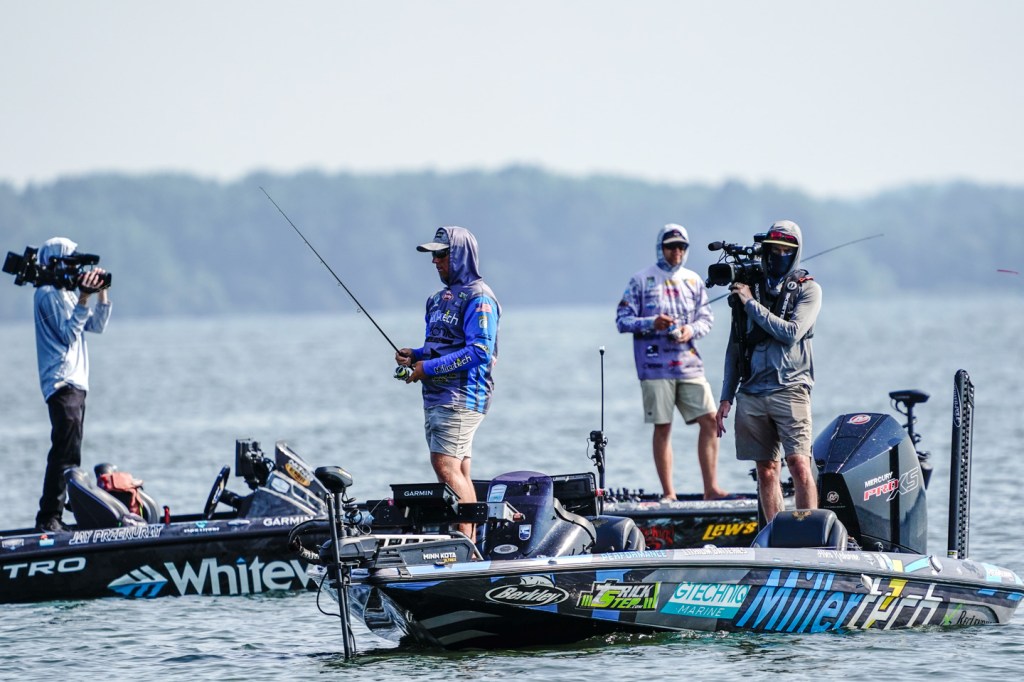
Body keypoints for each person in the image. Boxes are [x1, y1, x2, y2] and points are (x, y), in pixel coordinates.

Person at [396, 226, 500, 538]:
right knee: (460, 469)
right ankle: (472, 542)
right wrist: (415, 356)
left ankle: (465, 543)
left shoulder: (480, 298)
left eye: (441, 254)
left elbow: (479, 352)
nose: (435, 261)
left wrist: (427, 368)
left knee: (445, 466)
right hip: (437, 397)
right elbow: (442, 345)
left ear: (460, 256)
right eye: (433, 255)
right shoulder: (436, 300)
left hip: (461, 397)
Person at [715, 220, 821, 522]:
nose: (779, 255)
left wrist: (750, 303)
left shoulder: (809, 290)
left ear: (796, 253)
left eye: (786, 250)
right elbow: (735, 346)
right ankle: (775, 534)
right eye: (774, 250)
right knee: (766, 469)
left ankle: (809, 533)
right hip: (751, 392)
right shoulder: (749, 289)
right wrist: (726, 397)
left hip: (791, 389)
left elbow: (791, 333)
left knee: (799, 464)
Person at [616, 224, 727, 502]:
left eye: (681, 246)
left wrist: (691, 330)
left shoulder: (694, 280)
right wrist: (651, 323)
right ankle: (669, 492)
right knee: (663, 426)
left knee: (710, 421)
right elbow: (622, 320)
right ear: (660, 248)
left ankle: (711, 489)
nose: (676, 251)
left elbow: (706, 319)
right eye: (671, 246)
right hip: (654, 367)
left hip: (689, 364)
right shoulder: (640, 280)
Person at [32, 237, 112, 532]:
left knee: (71, 452)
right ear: (56, 263)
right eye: (70, 264)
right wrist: (84, 297)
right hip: (61, 382)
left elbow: (96, 326)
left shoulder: (66, 294)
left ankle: (57, 513)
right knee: (64, 453)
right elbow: (67, 334)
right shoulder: (46, 294)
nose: (75, 271)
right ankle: (49, 518)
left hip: (76, 383)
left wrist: (100, 292)